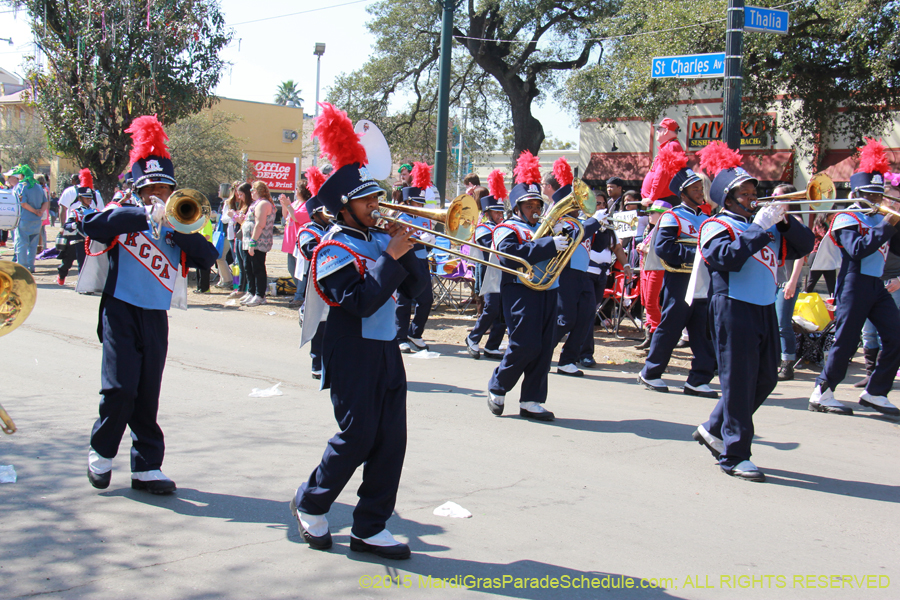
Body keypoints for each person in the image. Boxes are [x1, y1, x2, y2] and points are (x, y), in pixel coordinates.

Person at [291, 103, 429, 559]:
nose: (378, 206)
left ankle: (370, 525)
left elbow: (419, 290)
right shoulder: (331, 249)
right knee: (357, 435)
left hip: (387, 347)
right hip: (351, 349)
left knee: (392, 440)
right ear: (345, 207)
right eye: (369, 201)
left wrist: (407, 247)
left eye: (377, 198)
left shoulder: (375, 239)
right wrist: (390, 254)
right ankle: (311, 502)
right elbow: (360, 301)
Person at [82, 115, 218, 494]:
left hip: (155, 313)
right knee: (120, 388)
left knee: (147, 391)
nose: (158, 194)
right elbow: (91, 225)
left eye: (164, 187)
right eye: (151, 188)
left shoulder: (180, 219)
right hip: (119, 308)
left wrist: (177, 227)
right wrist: (141, 216)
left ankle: (146, 466)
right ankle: (101, 450)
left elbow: (209, 257)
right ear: (138, 189)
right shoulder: (121, 212)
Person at [693, 141, 814, 482]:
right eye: (743, 195)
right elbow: (727, 258)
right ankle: (734, 455)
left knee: (766, 378)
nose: (752, 199)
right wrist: (759, 228)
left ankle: (713, 428)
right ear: (728, 199)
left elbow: (804, 247)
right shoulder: (715, 226)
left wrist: (785, 221)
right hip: (732, 307)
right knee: (739, 382)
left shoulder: (768, 224)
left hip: (763, 307)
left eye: (752, 192)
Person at [808, 139, 900, 417]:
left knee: (896, 337)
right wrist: (886, 225)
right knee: (846, 340)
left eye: (877, 195)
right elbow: (858, 249)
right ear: (856, 193)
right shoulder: (846, 218)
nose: (874, 200)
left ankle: (875, 392)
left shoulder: (881, 218)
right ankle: (822, 390)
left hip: (876, 284)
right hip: (853, 282)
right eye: (869, 195)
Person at [486, 151, 571, 422]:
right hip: (520, 290)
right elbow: (510, 254)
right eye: (530, 204)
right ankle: (498, 385)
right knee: (524, 344)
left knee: (545, 347)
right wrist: (547, 245)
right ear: (518, 207)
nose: (536, 208)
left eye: (538, 203)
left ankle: (532, 399)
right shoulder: (506, 228)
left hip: (549, 288)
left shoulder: (547, 228)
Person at [639, 147, 717, 398]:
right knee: (670, 328)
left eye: (701, 189)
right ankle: (650, 372)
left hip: (703, 282)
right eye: (695, 189)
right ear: (683, 193)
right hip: (680, 280)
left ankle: (699, 378)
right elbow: (663, 249)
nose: (700, 192)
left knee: (702, 331)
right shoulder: (673, 216)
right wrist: (698, 258)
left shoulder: (706, 219)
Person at [545, 157, 602, 377]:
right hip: (566, 273)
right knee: (565, 319)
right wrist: (595, 221)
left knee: (587, 317)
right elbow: (576, 235)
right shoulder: (560, 221)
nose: (580, 207)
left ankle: (567, 360)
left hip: (583, 274)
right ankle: (542, 351)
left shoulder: (580, 221)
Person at [466, 170, 507, 360]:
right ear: (488, 212)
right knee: (491, 309)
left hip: (502, 273)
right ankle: (472, 338)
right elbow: (488, 247)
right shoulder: (483, 228)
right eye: (497, 212)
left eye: (501, 211)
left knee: (502, 313)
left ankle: (492, 346)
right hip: (489, 273)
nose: (500, 215)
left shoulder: (504, 226)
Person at [395, 162, 436, 353]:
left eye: (421, 202)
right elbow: (404, 239)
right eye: (417, 203)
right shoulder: (402, 217)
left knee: (426, 299)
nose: (420, 206)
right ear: (409, 202)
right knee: (404, 300)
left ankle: (415, 333)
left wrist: (430, 241)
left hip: (421, 260)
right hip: (405, 261)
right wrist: (421, 239)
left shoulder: (425, 218)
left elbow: (426, 240)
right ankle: (400, 336)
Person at [295, 185, 332, 379]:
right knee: (320, 324)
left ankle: (333, 362)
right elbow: (310, 250)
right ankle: (317, 363)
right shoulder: (307, 230)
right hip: (317, 283)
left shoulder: (335, 228)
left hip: (334, 281)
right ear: (316, 214)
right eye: (326, 211)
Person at [770, 184, 807, 381]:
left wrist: (793, 281)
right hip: (773, 280)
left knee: (783, 323)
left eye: (778, 196)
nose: (773, 198)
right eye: (772, 195)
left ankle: (788, 364)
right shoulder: (774, 219)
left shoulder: (796, 221)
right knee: (773, 323)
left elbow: (801, 255)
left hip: (787, 281)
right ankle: (775, 359)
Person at [634, 199, 669, 350]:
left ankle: (657, 336)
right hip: (647, 268)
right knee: (646, 302)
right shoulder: (653, 229)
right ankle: (650, 335)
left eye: (652, 212)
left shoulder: (665, 229)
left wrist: (645, 249)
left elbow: (664, 251)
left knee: (652, 302)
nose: (649, 215)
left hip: (657, 269)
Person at [57, 169, 98, 285]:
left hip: (91, 240)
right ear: (80, 198)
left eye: (90, 198)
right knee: (69, 260)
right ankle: (64, 275)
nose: (89, 200)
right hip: (77, 239)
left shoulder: (95, 210)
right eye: (86, 198)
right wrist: (72, 225)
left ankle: (88, 283)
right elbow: (67, 222)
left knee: (89, 263)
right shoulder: (76, 211)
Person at [279, 180, 313, 308]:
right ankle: (301, 293)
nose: (295, 191)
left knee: (300, 270)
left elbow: (297, 217)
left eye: (297, 189)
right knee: (291, 269)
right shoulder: (296, 203)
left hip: (300, 243)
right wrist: (284, 205)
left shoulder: (307, 205)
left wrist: (288, 206)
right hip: (290, 242)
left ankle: (299, 296)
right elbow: (286, 215)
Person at [10, 165, 48, 273]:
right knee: (33, 244)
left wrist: (34, 211)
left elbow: (23, 203)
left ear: (22, 175)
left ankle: (22, 267)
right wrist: (40, 211)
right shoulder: (38, 187)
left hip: (24, 219)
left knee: (22, 243)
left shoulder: (21, 186)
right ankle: (31, 266)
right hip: (36, 220)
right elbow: (46, 202)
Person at [224, 182, 252, 298]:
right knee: (240, 263)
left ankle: (245, 289)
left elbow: (245, 223)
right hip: (238, 235)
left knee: (245, 265)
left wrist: (234, 216)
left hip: (245, 237)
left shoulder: (251, 206)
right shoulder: (243, 205)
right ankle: (240, 288)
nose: (239, 197)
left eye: (241, 194)